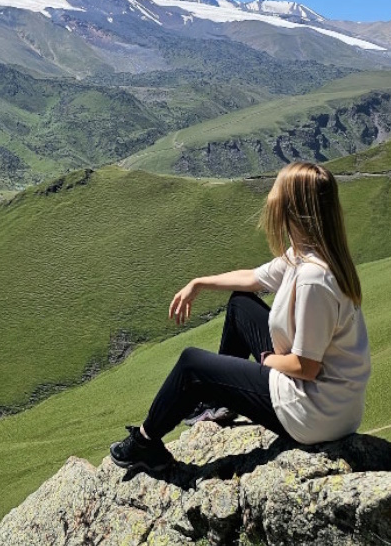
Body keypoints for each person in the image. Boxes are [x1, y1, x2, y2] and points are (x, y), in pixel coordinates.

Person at [110, 161, 371, 472]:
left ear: (292, 207)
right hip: (332, 400)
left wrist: (266, 361)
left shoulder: (314, 277)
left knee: (192, 363)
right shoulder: (305, 256)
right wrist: (200, 283)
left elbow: (306, 367)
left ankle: (144, 443)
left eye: (277, 191)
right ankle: (216, 402)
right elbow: (252, 279)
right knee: (241, 305)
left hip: (314, 412)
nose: (271, 197)